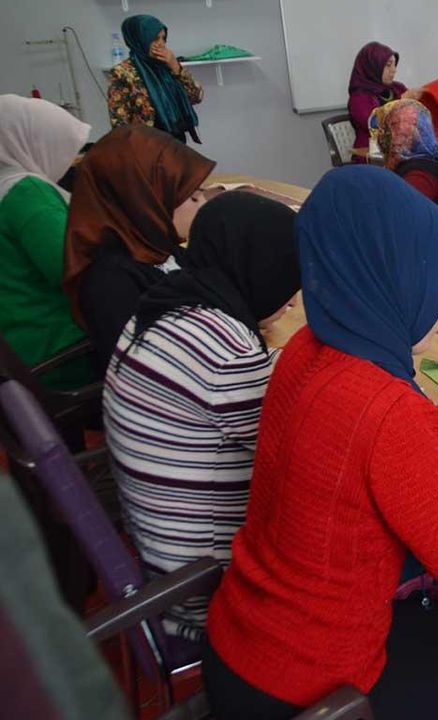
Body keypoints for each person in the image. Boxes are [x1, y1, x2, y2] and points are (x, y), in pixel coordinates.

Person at [203, 166, 438, 720]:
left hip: (238, 642)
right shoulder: (386, 406)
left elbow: (373, 446)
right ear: (395, 282)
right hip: (311, 685)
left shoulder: (308, 349)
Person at [103, 191, 300, 642]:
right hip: (208, 590)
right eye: (289, 277)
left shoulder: (172, 304)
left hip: (162, 555)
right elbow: (312, 448)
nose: (293, 297)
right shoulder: (226, 355)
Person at [63, 125, 216, 375]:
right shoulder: (110, 281)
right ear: (145, 200)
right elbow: (149, 370)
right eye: (193, 197)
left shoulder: (157, 247)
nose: (203, 205)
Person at [0, 95, 92, 389]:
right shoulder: (26, 191)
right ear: (31, 144)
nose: (66, 162)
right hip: (58, 350)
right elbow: (75, 267)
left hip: (16, 350)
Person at [374, 99, 438, 222]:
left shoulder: (419, 175)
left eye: (398, 131)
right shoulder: (425, 161)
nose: (393, 137)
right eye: (391, 127)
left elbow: (403, 217)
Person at [107, 15, 203, 143]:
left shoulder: (166, 65)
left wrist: (175, 66)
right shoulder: (123, 73)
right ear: (140, 39)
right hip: (146, 146)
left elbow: (195, 97)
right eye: (155, 38)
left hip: (176, 143)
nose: (161, 44)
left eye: (164, 38)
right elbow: (119, 124)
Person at [348, 42, 417, 157]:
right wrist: (401, 101)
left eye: (394, 65)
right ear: (373, 67)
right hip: (371, 156)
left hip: (401, 151)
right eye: (388, 65)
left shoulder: (397, 88)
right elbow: (375, 123)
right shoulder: (359, 98)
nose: (393, 70)